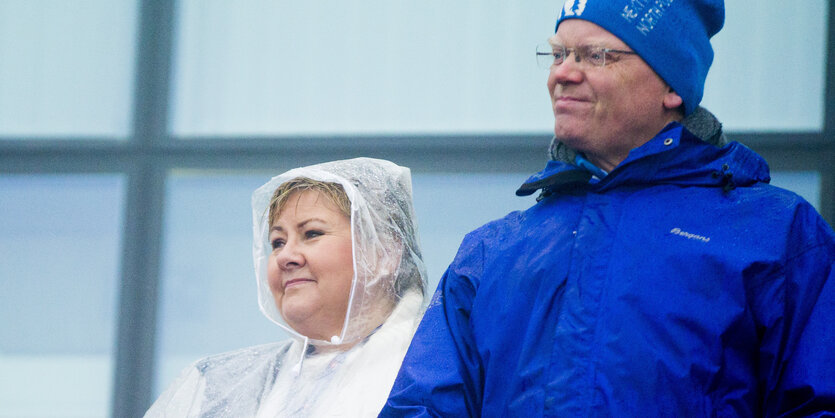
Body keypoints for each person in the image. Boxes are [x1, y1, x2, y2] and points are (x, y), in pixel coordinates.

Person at [382, 0, 835, 416]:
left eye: (595, 56)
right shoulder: (492, 250)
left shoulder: (777, 235)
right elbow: (421, 407)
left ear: (672, 86)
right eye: (558, 55)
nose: (563, 73)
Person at [145, 158, 427, 417]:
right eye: (277, 242)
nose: (285, 257)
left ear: (384, 252)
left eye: (312, 234)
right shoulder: (214, 386)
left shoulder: (438, 375)